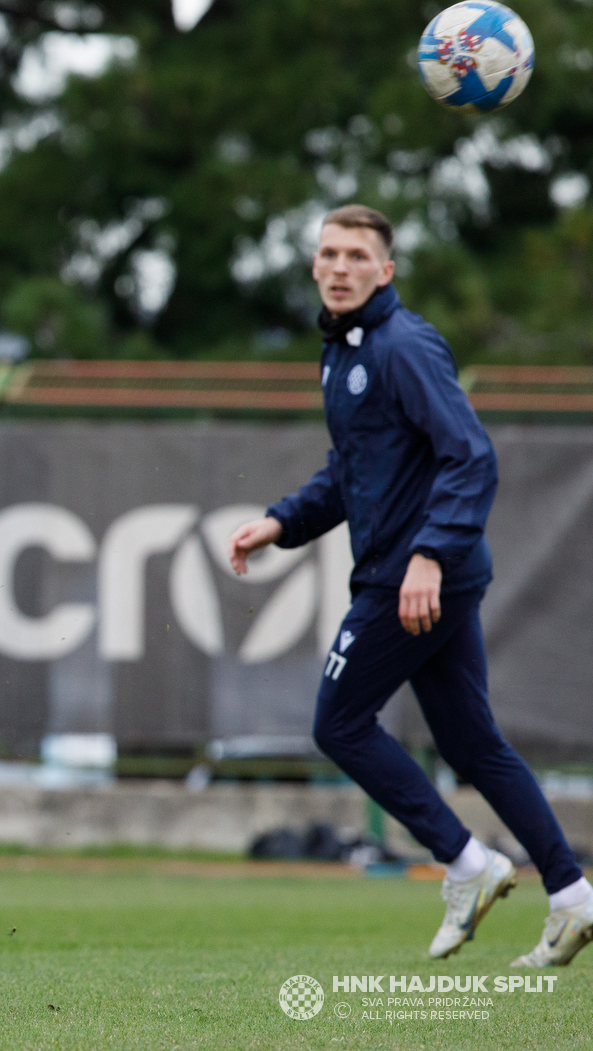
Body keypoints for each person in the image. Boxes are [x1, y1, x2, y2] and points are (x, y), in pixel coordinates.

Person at [227, 205, 592, 968]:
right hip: (427, 575)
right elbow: (351, 472)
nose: (337, 267)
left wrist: (427, 556)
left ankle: (467, 864)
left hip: (414, 578)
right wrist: (280, 523)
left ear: (385, 271)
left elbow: (471, 457)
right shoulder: (342, 352)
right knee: (471, 742)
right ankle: (572, 897)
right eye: (327, 253)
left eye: (356, 255)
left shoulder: (402, 346)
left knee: (340, 723)